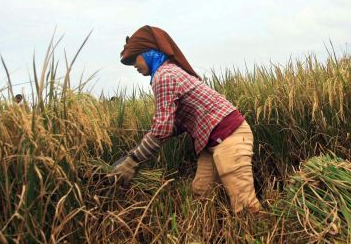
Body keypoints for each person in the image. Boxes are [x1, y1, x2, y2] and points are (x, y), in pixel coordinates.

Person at [111, 25, 261, 214]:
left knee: (244, 204)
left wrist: (133, 159)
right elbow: (175, 125)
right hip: (211, 140)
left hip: (229, 135)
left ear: (150, 53)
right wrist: (143, 145)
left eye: (135, 59)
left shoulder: (164, 76)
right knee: (201, 193)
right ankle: (210, 236)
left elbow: (162, 130)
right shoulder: (169, 73)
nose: (134, 66)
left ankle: (258, 234)